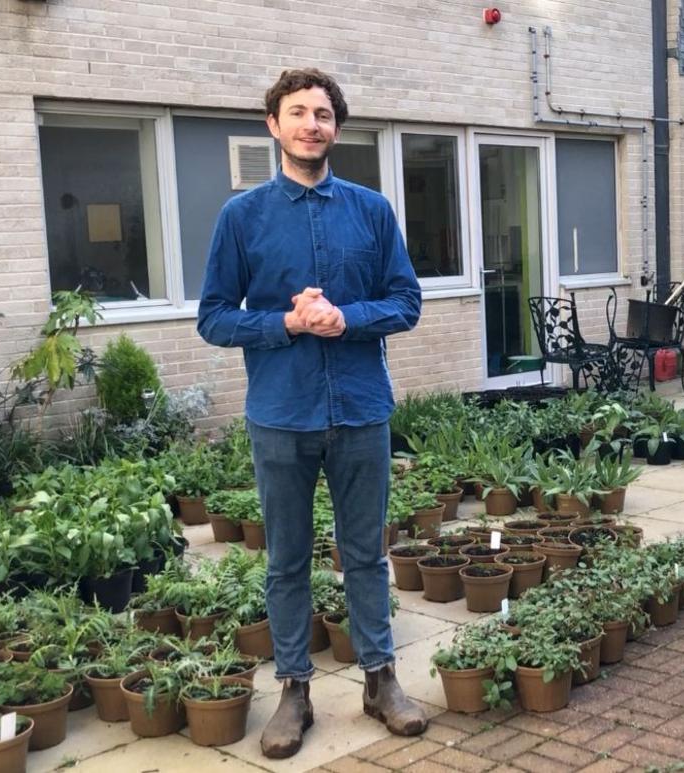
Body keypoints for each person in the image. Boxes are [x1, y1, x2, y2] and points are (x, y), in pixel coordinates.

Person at [197, 67, 426, 759]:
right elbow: (212, 317)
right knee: (286, 560)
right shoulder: (241, 218)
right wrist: (287, 325)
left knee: (365, 553)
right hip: (280, 415)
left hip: (359, 411)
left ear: (336, 127)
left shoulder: (372, 211)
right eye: (297, 112)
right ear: (273, 126)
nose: (310, 124)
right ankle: (293, 690)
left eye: (322, 113)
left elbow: (405, 302)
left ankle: (380, 679)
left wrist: (344, 319)